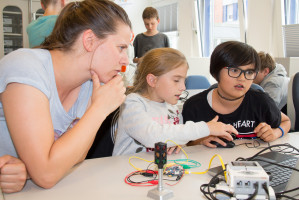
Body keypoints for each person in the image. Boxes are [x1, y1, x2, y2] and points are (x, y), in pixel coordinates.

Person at [0, 0, 131, 189]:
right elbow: (46, 175)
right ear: (89, 41)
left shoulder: (89, 85)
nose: (125, 60)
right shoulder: (25, 68)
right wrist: (99, 109)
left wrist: (30, 169)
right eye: (121, 47)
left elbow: (76, 156)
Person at [112, 48, 238, 156]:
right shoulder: (132, 103)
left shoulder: (173, 109)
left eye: (184, 81)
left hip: (158, 172)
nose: (183, 87)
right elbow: (152, 136)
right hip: (126, 173)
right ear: (152, 80)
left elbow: (175, 137)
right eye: (176, 80)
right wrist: (206, 128)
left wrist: (185, 143)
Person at [182, 41, 291, 148]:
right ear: (216, 72)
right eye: (234, 70)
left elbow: (286, 121)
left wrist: (275, 133)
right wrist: (200, 140)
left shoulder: (261, 101)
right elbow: (185, 143)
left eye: (249, 72)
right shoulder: (194, 106)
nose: (242, 78)